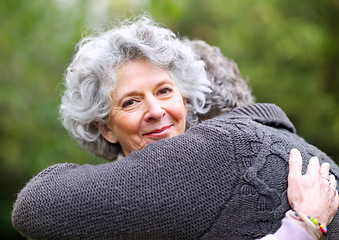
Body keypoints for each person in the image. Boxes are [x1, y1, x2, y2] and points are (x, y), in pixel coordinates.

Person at [11, 16, 339, 239]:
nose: (156, 110)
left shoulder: (199, 159)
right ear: (106, 129)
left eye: (165, 91)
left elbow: (34, 206)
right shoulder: (133, 199)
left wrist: (305, 227)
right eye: (131, 102)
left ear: (185, 100)